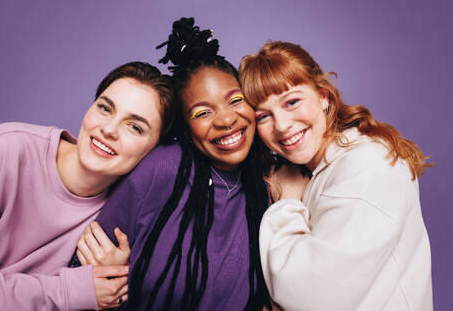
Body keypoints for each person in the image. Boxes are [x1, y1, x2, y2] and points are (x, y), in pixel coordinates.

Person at [70, 17, 272, 310]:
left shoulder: (264, 190)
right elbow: (84, 275)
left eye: (235, 100)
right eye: (202, 113)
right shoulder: (162, 170)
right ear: (185, 129)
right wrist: (117, 283)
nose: (227, 120)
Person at [0, 61, 175, 310]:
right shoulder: (4, 150)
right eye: (105, 108)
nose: (109, 129)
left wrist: (117, 278)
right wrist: (70, 290)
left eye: (134, 127)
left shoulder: (121, 221)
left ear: (155, 152)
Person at [239, 41, 433, 310]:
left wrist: (285, 204)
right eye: (263, 117)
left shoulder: (366, 164)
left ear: (323, 97)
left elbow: (308, 296)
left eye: (292, 102)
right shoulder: (315, 169)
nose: (282, 126)